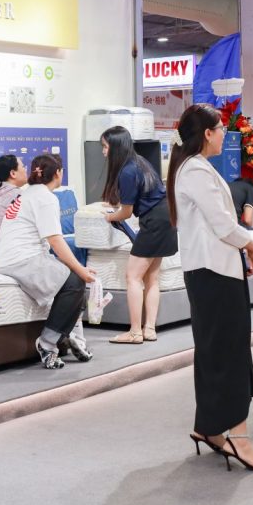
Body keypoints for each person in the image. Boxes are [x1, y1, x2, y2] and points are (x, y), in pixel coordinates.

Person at [167, 104, 253, 472]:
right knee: (229, 354)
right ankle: (239, 438)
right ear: (207, 134)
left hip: (212, 273)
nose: (225, 135)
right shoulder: (195, 170)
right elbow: (223, 224)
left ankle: (209, 427)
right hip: (215, 274)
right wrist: (251, 242)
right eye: (220, 129)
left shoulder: (192, 168)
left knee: (215, 352)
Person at [0, 154, 96, 369]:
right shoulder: (46, 198)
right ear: (58, 173)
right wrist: (81, 269)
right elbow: (56, 241)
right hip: (22, 259)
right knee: (75, 282)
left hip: (6, 258)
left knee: (70, 279)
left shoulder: (27, 193)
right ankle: (47, 343)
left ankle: (72, 337)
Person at [99, 126, 178, 344]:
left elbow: (126, 212)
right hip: (167, 217)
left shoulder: (126, 171)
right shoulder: (140, 162)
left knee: (132, 276)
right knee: (152, 278)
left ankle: (135, 332)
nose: (103, 151)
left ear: (116, 147)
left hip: (154, 222)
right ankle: (149, 329)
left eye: (105, 147)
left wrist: (110, 217)